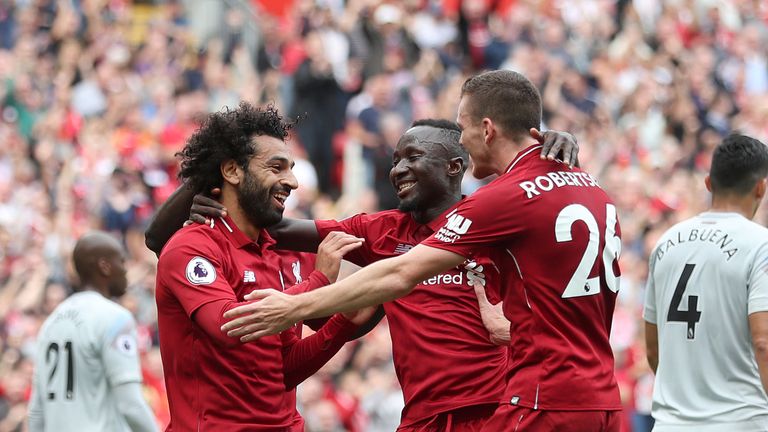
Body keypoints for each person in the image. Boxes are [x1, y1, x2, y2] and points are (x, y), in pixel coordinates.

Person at [220, 70, 623, 431]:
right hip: (586, 398)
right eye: (396, 160)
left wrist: (292, 304)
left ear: (484, 132)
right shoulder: (588, 187)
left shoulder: (497, 207)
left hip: (520, 402)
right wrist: (217, 187)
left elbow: (399, 274)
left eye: (463, 129)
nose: (397, 170)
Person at [145, 119, 579, 430]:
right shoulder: (380, 233)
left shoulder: (490, 220)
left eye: (413, 157)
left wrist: (551, 154)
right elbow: (258, 221)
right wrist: (200, 186)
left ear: (454, 166)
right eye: (395, 159)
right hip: (422, 417)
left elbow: (557, 217)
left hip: (496, 408)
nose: (398, 170)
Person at [155, 102, 375, 431]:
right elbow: (231, 326)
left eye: (292, 168)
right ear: (232, 171)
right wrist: (318, 281)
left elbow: (284, 370)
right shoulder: (192, 247)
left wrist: (343, 323)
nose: (293, 182)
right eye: (276, 167)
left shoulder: (286, 254)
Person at [644, 134, 768, 431]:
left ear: (709, 183)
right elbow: (763, 342)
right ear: (761, 187)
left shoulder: (667, 241)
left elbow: (652, 350)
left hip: (669, 424)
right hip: (740, 420)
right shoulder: (760, 245)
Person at [27, 231, 158, 432]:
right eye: (121, 262)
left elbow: (36, 411)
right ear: (104, 267)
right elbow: (130, 404)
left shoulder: (51, 323)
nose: (125, 271)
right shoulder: (115, 318)